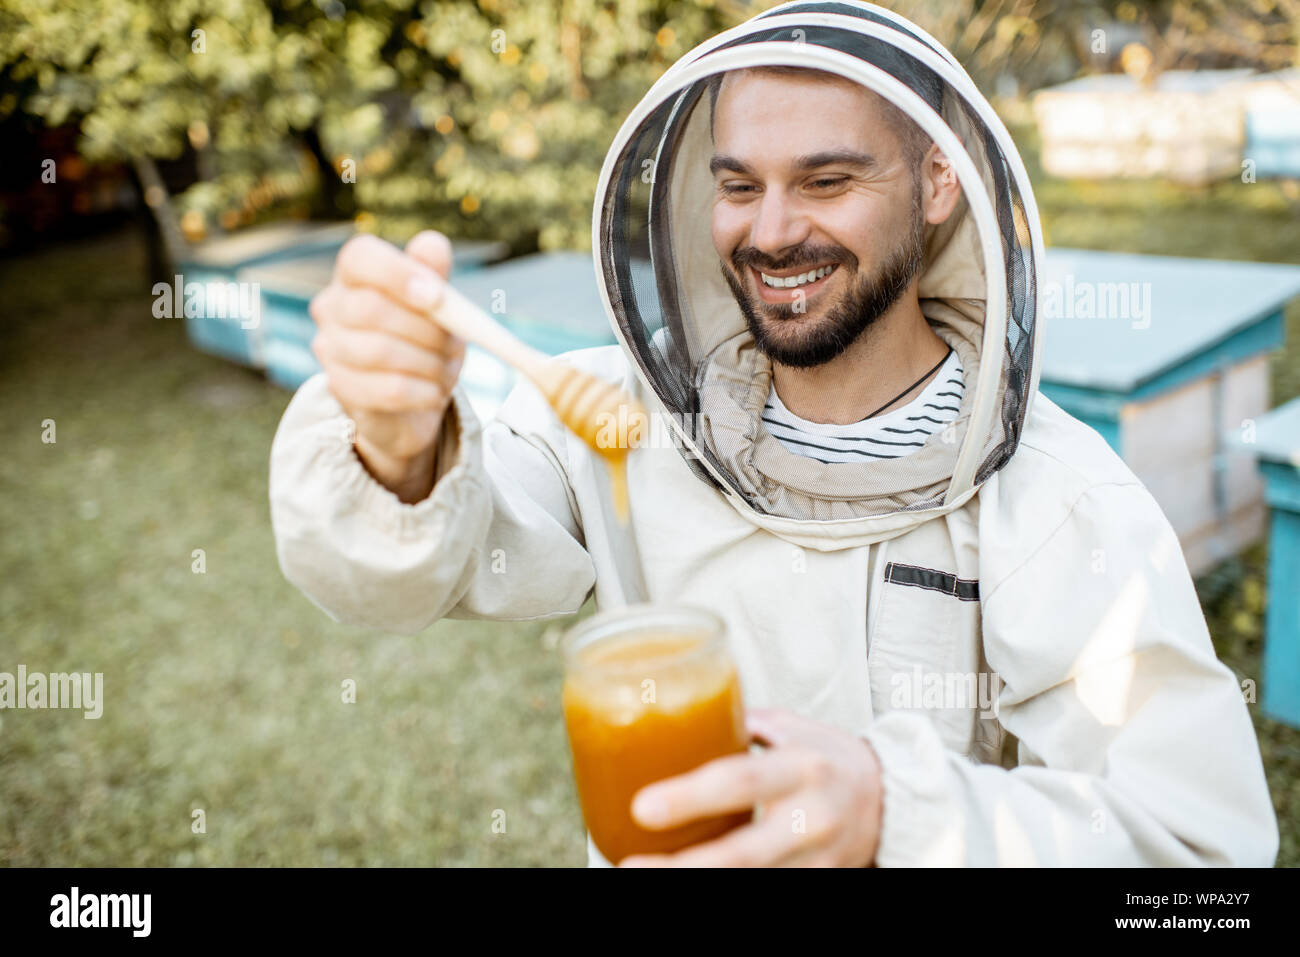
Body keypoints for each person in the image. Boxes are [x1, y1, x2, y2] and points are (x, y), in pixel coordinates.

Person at [269, 1, 1278, 866]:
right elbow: (408, 575)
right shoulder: (617, 423)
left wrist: (899, 812)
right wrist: (397, 448)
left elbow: (1197, 860)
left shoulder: (1060, 500)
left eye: (828, 181)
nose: (771, 231)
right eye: (739, 184)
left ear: (935, 185)